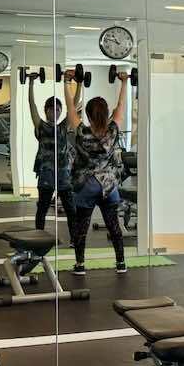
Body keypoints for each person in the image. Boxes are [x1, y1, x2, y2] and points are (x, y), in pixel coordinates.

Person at [65, 69, 128, 275]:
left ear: (89, 115)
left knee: (81, 228)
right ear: (106, 113)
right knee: (114, 226)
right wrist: (124, 82)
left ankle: (80, 265)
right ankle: (121, 263)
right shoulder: (113, 131)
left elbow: (70, 108)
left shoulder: (82, 133)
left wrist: (66, 82)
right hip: (109, 186)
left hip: (87, 186)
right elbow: (121, 106)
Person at [28, 73, 78, 232]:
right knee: (42, 208)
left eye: (58, 109)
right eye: (52, 109)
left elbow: (73, 106)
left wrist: (79, 84)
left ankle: (74, 240)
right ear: (46, 111)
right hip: (46, 173)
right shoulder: (40, 126)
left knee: (71, 209)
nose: (55, 112)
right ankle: (39, 237)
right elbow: (31, 105)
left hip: (63, 173)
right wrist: (31, 83)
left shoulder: (63, 127)